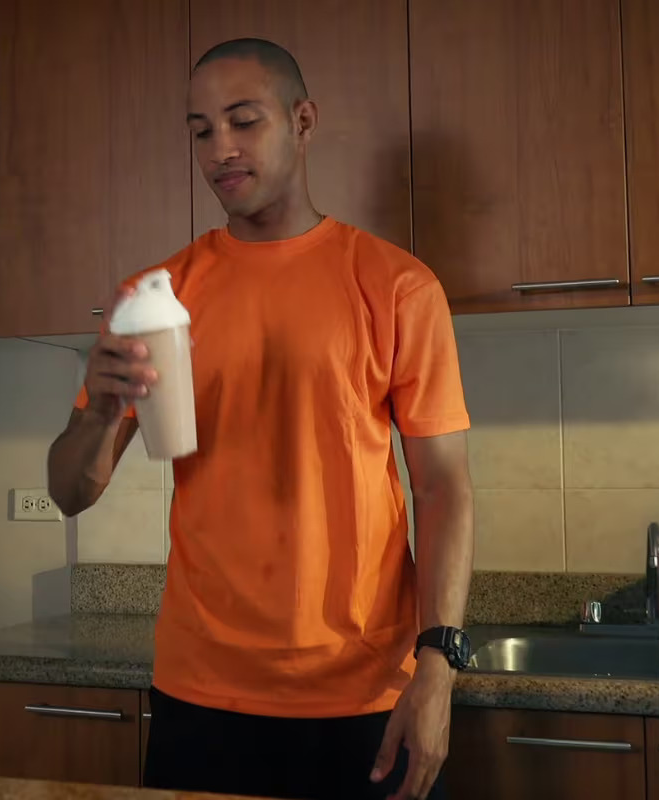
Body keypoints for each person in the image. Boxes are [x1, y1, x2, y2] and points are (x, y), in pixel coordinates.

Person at [48, 38, 474, 800]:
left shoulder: (397, 286)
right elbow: (72, 492)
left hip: (364, 693)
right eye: (201, 130)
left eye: (243, 121)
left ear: (302, 120)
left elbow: (442, 488)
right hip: (202, 691)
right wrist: (97, 413)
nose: (221, 149)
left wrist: (438, 663)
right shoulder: (158, 298)